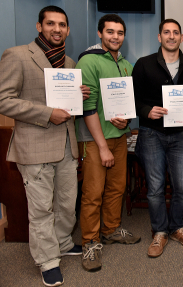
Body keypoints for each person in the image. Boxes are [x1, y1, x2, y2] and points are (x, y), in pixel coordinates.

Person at [0, 5, 90, 286]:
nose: (57, 29)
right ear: (39, 26)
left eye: (62, 25)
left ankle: (62, 243)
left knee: (66, 203)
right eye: (51, 24)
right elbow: (4, 100)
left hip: (66, 145)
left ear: (68, 30)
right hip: (35, 145)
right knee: (41, 209)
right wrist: (46, 112)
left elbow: (68, 107)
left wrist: (79, 97)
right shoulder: (17, 55)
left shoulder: (71, 63)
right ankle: (47, 261)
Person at [76, 14, 140, 272]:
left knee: (117, 188)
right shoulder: (88, 61)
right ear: (100, 33)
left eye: (120, 32)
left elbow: (126, 104)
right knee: (93, 193)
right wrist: (101, 146)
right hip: (95, 141)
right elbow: (88, 108)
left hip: (119, 139)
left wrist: (126, 120)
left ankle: (111, 229)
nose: (115, 36)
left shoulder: (126, 64)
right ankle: (89, 242)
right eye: (110, 32)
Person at [133, 19, 183, 258]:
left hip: (181, 135)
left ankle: (176, 227)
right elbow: (134, 98)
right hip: (152, 134)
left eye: (176, 33)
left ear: (182, 38)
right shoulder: (143, 64)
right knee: (155, 188)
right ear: (159, 37)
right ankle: (160, 231)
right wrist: (146, 110)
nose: (171, 36)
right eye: (166, 32)